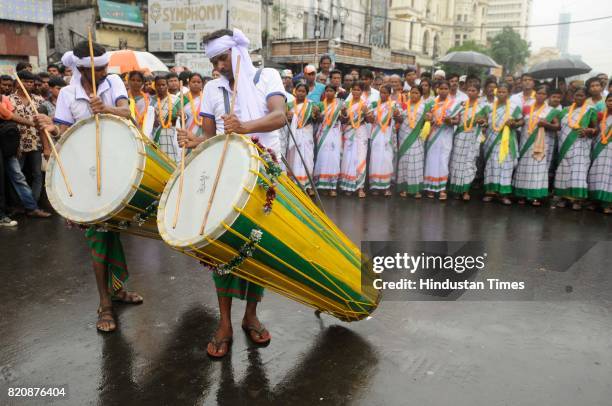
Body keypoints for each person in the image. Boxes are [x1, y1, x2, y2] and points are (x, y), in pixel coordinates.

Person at [177, 28, 286, 358]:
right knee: (224, 249)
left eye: (222, 58)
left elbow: (280, 116)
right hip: (226, 174)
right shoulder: (212, 88)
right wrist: (195, 141)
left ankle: (250, 315)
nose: (218, 66)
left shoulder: (267, 77)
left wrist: (244, 128)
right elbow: (211, 138)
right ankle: (224, 323)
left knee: (258, 245)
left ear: (237, 52)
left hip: (265, 174)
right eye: (213, 61)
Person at [34, 40, 143, 333]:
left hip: (117, 170)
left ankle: (118, 289)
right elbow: (65, 132)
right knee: (98, 239)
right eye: (99, 69)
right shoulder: (68, 93)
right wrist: (51, 126)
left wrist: (105, 108)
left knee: (113, 235)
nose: (105, 72)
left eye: (106, 67)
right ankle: (105, 304)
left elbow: (127, 113)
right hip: (86, 175)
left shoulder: (114, 83)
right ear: (82, 69)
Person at [1, 89, 49, 223]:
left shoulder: (4, 99)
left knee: (18, 175)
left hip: (10, 143)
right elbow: (8, 115)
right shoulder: (9, 99)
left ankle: (30, 207)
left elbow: (9, 117)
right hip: (10, 142)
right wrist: (34, 124)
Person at [512, 86, 561, 206]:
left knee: (537, 168)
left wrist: (546, 124)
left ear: (547, 96)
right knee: (524, 167)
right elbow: (522, 121)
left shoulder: (551, 110)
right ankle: (521, 194)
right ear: (535, 94)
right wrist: (516, 123)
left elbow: (557, 127)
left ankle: (535, 196)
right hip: (525, 141)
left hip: (541, 143)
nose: (540, 95)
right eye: (538, 93)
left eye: (543, 94)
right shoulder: (527, 108)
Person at [553, 87, 598, 210]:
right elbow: (559, 127)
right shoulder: (565, 110)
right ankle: (563, 197)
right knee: (564, 170)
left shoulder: (591, 110)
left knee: (578, 172)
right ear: (573, 96)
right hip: (564, 145)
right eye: (576, 95)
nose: (578, 98)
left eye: (581, 96)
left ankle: (577, 200)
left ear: (586, 97)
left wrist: (590, 130)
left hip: (580, 145)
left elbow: (596, 129)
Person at [10, 70, 49, 204]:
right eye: (25, 81)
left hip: (36, 142)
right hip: (18, 143)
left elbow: (46, 120)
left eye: (31, 82)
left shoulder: (39, 100)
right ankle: (20, 203)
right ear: (18, 82)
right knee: (18, 174)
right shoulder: (10, 99)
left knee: (37, 174)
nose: (28, 84)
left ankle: (33, 203)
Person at [482, 83, 523, 205]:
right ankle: (490, 192)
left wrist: (515, 124)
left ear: (509, 93)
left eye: (504, 92)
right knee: (491, 165)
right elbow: (484, 120)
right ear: (496, 92)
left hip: (507, 141)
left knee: (506, 166)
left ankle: (503, 194)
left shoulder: (514, 107)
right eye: (499, 92)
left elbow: (521, 121)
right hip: (491, 140)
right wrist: (483, 123)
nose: (501, 94)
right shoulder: (489, 107)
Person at [448, 83, 488, 201]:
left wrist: (482, 122)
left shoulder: (483, 107)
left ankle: (466, 190)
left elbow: (486, 124)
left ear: (478, 92)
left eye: (474, 90)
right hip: (460, 137)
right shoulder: (461, 105)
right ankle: (456, 189)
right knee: (456, 163)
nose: (471, 92)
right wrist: (450, 120)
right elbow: (454, 119)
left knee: (469, 163)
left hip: (473, 138)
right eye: (469, 90)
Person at [422, 80, 460, 200]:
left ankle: (442, 189)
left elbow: (457, 120)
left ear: (449, 90)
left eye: (445, 89)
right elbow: (426, 118)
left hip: (446, 135)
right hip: (433, 135)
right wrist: (429, 119)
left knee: (443, 161)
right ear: (437, 89)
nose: (443, 91)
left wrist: (451, 121)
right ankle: (431, 188)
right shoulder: (431, 103)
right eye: (441, 88)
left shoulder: (454, 104)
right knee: (431, 160)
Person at [339, 81, 373, 198]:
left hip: (361, 132)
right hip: (349, 132)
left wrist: (366, 112)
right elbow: (343, 121)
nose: (356, 92)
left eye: (358, 90)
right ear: (351, 90)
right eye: (354, 89)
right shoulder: (346, 104)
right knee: (348, 159)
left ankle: (360, 187)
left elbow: (371, 120)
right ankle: (348, 186)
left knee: (360, 159)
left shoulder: (366, 103)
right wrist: (343, 113)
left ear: (362, 92)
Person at [395, 86, 430, 198]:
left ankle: (416, 189)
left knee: (416, 162)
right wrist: (396, 115)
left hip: (417, 138)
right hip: (404, 136)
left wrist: (429, 118)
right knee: (405, 161)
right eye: (412, 92)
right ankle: (404, 188)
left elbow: (429, 120)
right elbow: (400, 119)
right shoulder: (404, 105)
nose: (414, 95)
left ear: (420, 94)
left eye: (416, 93)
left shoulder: (425, 106)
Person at [286, 83, 319, 195]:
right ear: (295, 91)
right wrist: (289, 117)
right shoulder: (289, 105)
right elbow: (285, 120)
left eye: (303, 91)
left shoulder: (312, 105)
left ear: (307, 93)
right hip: (294, 135)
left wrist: (317, 113)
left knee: (308, 159)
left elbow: (317, 119)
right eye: (299, 91)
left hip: (306, 134)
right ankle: (294, 184)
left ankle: (309, 185)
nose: (300, 93)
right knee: (294, 158)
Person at [313, 85, 343, 196]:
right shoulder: (320, 105)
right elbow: (317, 119)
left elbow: (344, 119)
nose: (329, 93)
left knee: (334, 159)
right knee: (322, 158)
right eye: (327, 91)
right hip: (323, 134)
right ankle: (320, 185)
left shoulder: (340, 105)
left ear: (335, 92)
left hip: (335, 134)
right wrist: (318, 115)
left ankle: (332, 186)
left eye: (331, 91)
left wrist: (343, 114)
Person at [368, 85, 396, 196]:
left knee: (386, 160)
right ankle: (375, 186)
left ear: (389, 94)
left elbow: (397, 119)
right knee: (375, 159)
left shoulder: (393, 105)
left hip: (387, 135)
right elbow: (370, 119)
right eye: (381, 93)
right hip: (376, 134)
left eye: (385, 93)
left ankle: (385, 186)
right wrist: (369, 116)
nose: (383, 95)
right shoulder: (375, 105)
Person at [588, 93, 612, 214]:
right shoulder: (601, 116)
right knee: (595, 174)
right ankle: (594, 201)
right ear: (605, 102)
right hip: (598, 148)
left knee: (609, 177)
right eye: (609, 100)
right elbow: (595, 130)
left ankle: (607, 203)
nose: (611, 103)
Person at [150, 75, 180, 162]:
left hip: (170, 135)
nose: (161, 87)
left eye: (163, 85)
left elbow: (181, 119)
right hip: (154, 135)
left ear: (167, 85)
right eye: (158, 85)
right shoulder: (150, 101)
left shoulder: (176, 100)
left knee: (171, 161)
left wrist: (181, 116)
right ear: (155, 86)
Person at [127, 70, 154, 137]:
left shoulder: (149, 100)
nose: (135, 83)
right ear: (128, 81)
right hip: (128, 131)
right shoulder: (124, 98)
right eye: (133, 80)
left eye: (138, 81)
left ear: (142, 83)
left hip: (145, 134)